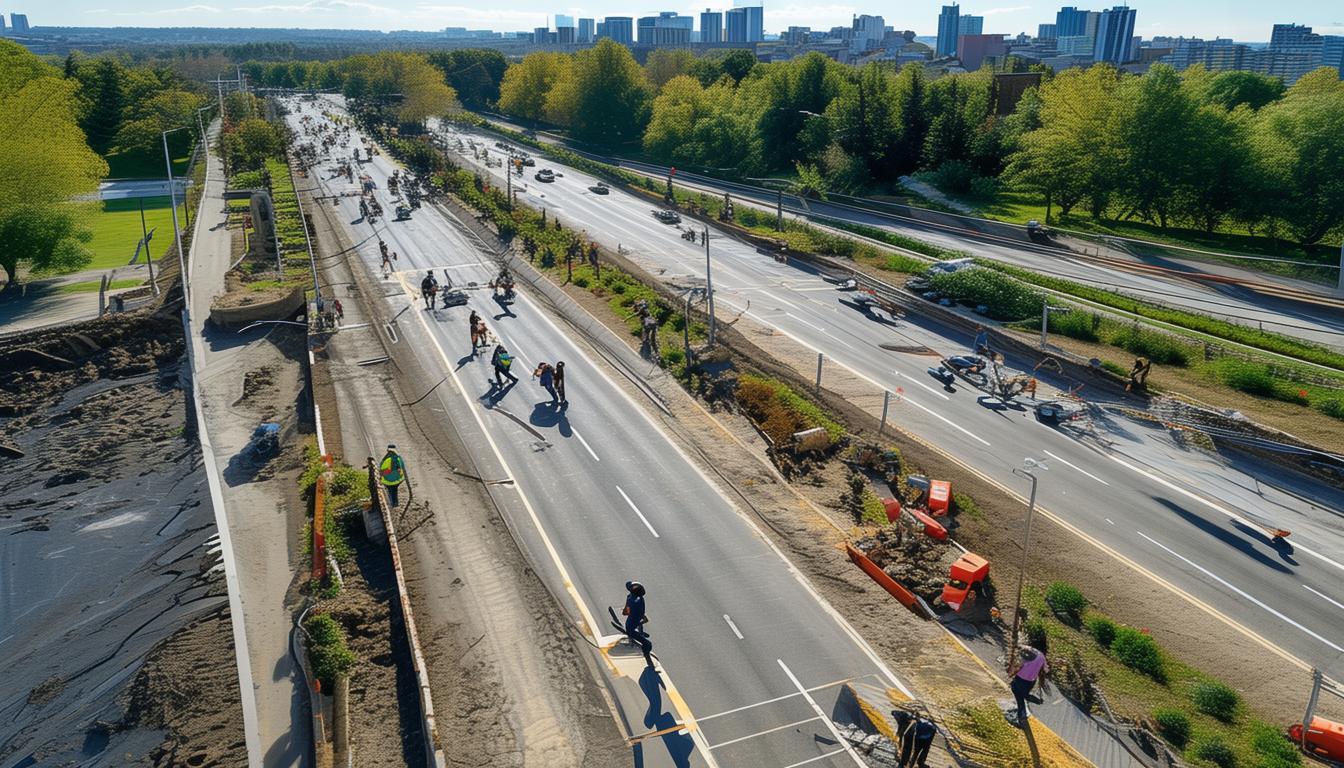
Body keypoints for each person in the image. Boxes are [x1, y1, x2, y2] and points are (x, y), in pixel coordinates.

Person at [1010, 646, 1049, 723]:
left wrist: (1012, 673)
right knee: (1022, 693)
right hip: (1031, 681)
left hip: (1021, 678)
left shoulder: (1025, 653)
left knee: (1018, 696)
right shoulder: (1041, 656)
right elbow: (1046, 670)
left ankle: (1022, 716)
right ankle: (1028, 697)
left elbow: (1019, 665)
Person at [622, 581, 650, 654]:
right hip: (640, 613)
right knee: (638, 621)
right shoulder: (641, 598)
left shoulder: (630, 599)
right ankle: (640, 629)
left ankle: (645, 642)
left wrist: (625, 611)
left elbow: (626, 611)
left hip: (633, 618)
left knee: (629, 630)